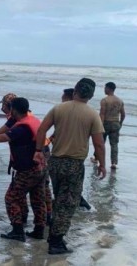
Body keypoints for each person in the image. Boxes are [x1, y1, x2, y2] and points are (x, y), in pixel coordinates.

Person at [34, 78, 106, 255]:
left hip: (56, 162)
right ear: (91, 95)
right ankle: (56, 242)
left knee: (60, 199)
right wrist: (102, 164)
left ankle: (54, 235)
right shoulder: (92, 114)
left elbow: (41, 130)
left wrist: (38, 150)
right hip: (74, 164)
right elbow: (99, 144)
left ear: (75, 90)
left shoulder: (59, 108)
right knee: (67, 204)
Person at [0, 98, 47, 242]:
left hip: (28, 170)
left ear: (13, 110)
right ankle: (39, 230)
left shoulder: (21, 129)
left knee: (11, 198)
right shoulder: (32, 120)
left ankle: (17, 231)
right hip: (41, 166)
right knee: (38, 199)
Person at [56, 88, 91, 210]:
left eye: (63, 96)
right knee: (71, 186)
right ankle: (77, 202)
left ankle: (76, 203)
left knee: (67, 187)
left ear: (69, 98)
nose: (61, 98)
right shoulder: (81, 112)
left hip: (67, 157)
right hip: (75, 157)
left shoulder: (65, 111)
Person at [99, 82, 125, 169]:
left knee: (100, 143)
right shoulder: (120, 101)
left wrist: (100, 125)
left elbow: (102, 114)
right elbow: (123, 114)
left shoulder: (104, 100)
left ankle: (97, 159)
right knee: (114, 144)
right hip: (115, 123)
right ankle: (114, 163)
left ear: (109, 89)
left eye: (105, 88)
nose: (104, 89)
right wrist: (120, 123)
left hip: (106, 123)